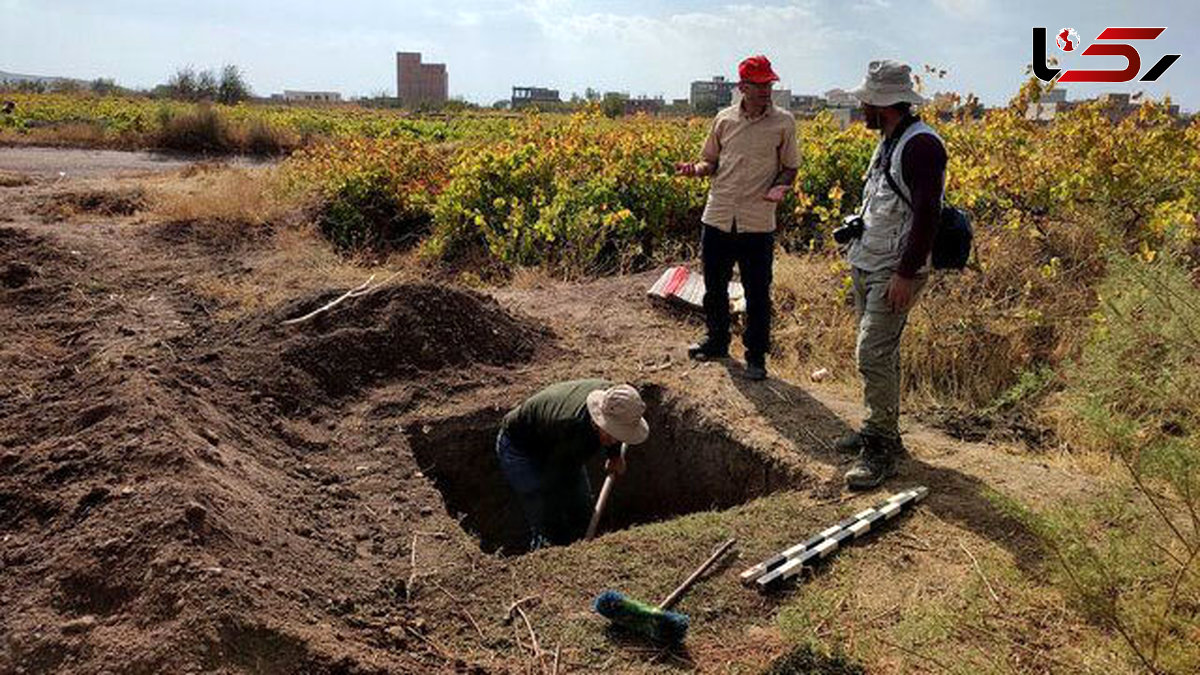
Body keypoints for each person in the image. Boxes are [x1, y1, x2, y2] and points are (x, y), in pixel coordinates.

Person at [836, 60, 947, 489]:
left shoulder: (921, 146)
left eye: (865, 99)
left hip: (892, 270)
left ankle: (881, 450)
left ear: (882, 103)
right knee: (881, 355)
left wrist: (904, 273)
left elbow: (927, 216)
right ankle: (878, 429)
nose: (860, 106)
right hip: (870, 261)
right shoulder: (891, 138)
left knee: (872, 354)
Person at [676, 55, 799, 381]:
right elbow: (709, 162)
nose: (766, 90)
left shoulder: (783, 122)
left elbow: (791, 166)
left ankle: (756, 356)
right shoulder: (724, 119)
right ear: (742, 87)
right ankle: (716, 342)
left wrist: (781, 186)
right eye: (759, 85)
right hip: (717, 215)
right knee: (713, 286)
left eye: (769, 84)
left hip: (757, 221)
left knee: (758, 291)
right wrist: (695, 170)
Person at [495, 380, 650, 549]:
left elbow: (616, 428)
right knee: (545, 511)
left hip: (559, 445)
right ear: (598, 420)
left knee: (581, 506)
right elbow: (554, 476)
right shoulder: (570, 427)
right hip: (521, 448)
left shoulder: (617, 400)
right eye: (613, 433)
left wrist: (614, 456)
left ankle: (583, 541)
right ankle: (548, 552)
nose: (615, 439)